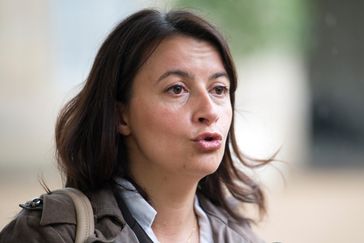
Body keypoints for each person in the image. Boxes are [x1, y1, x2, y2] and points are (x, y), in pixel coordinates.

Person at [0, 8, 270, 243]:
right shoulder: (53, 234)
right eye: (177, 89)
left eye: (219, 89)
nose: (209, 111)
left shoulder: (241, 238)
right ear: (121, 116)